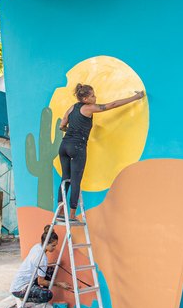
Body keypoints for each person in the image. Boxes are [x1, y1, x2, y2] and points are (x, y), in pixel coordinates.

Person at [57, 83, 145, 222]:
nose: (95, 97)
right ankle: (73, 215)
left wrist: (69, 130)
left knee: (65, 179)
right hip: (77, 147)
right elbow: (113, 104)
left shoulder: (72, 107)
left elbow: (62, 124)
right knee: (75, 181)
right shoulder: (89, 108)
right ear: (85, 99)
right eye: (92, 96)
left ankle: (60, 211)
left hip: (64, 146)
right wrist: (137, 96)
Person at [10, 225, 58, 304]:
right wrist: (59, 284)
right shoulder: (42, 258)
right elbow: (41, 282)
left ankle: (27, 295)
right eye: (53, 245)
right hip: (19, 289)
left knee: (50, 270)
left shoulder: (37, 246)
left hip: (22, 282)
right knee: (48, 295)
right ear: (46, 243)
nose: (54, 248)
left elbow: (37, 265)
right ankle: (22, 299)